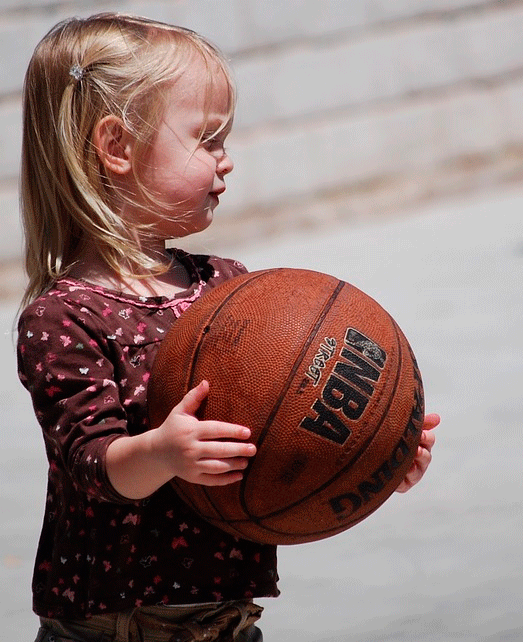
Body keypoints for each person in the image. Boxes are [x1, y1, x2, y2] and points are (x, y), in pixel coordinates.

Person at [16, 13, 440, 642]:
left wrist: (371, 449)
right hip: (115, 624)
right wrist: (164, 451)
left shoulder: (226, 287)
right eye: (207, 138)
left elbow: (276, 436)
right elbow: (93, 464)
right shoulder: (63, 316)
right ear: (117, 147)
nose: (227, 160)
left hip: (226, 619)